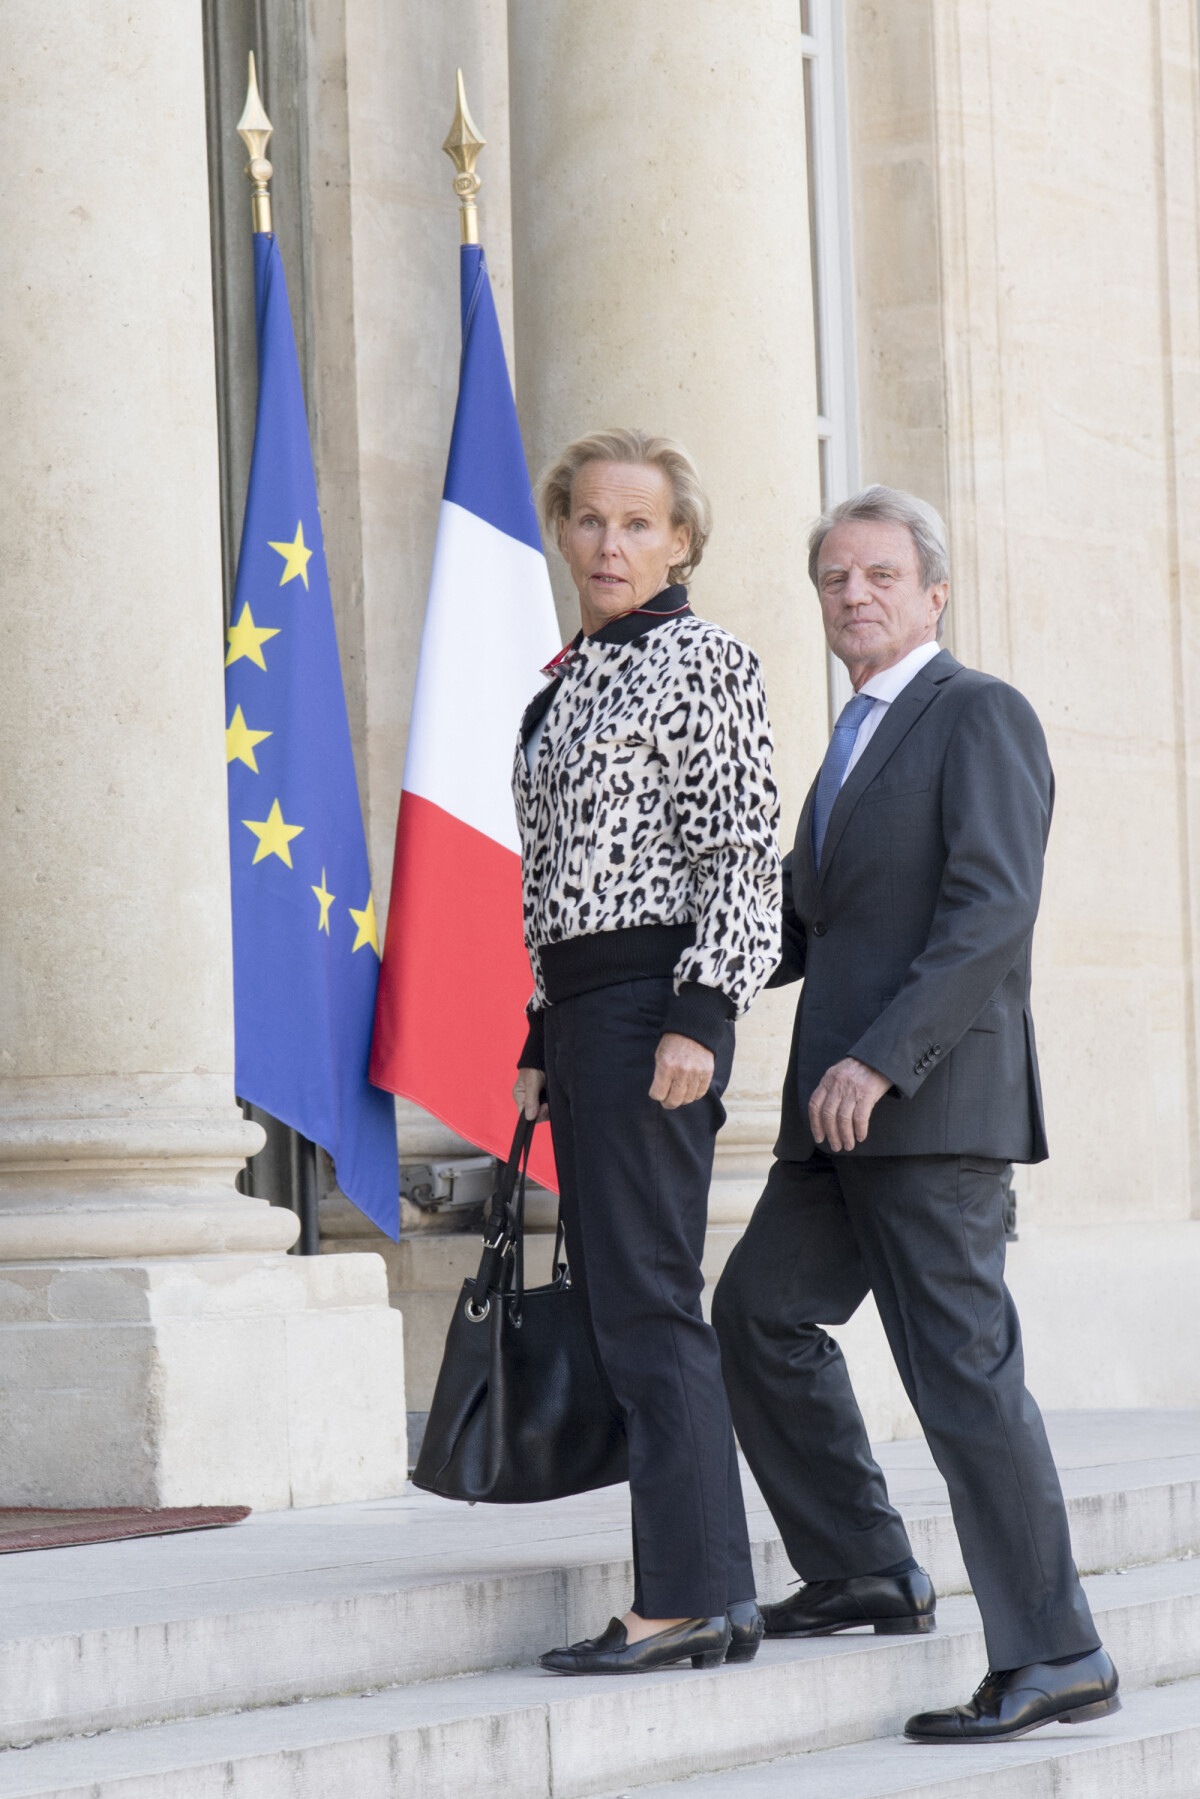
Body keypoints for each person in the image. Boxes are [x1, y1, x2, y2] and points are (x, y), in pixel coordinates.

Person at [712, 485, 1120, 1741]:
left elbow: (990, 914)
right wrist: (655, 993)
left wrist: (884, 1061)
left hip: (930, 1109)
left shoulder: (977, 713)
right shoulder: (847, 742)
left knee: (962, 1382)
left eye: (881, 574)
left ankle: (1058, 1652)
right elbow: (793, 926)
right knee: (756, 1312)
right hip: (831, 1119)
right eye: (835, 576)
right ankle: (864, 1564)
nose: (855, 594)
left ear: (933, 592)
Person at [513, 429, 780, 1675]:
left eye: (638, 524)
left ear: (682, 540)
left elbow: (739, 860)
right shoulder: (564, 678)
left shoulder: (704, 659)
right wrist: (532, 1034)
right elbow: (554, 877)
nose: (610, 544)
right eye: (589, 521)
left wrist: (706, 1014)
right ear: (565, 532)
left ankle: (685, 1594)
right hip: (580, 1016)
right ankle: (707, 1589)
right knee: (632, 1296)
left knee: (650, 1299)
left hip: (652, 1008)